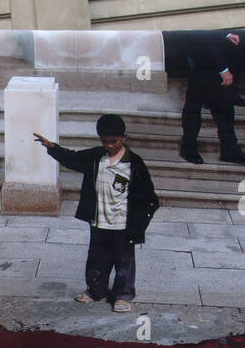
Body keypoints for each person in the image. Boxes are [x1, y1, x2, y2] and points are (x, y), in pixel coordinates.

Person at [34, 114, 160, 313]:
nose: (109, 145)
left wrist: (139, 224)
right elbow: (73, 159)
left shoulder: (134, 163)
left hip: (122, 225)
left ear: (124, 137)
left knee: (124, 261)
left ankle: (123, 294)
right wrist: (52, 148)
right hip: (98, 221)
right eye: (105, 141)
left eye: (114, 141)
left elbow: (150, 198)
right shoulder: (95, 157)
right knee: (97, 258)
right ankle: (96, 290)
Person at [163, 30, 245, 165]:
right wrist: (223, 69)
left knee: (224, 107)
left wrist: (225, 34)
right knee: (194, 107)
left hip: (210, 57)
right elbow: (202, 38)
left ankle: (229, 149)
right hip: (200, 58)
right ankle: (188, 147)